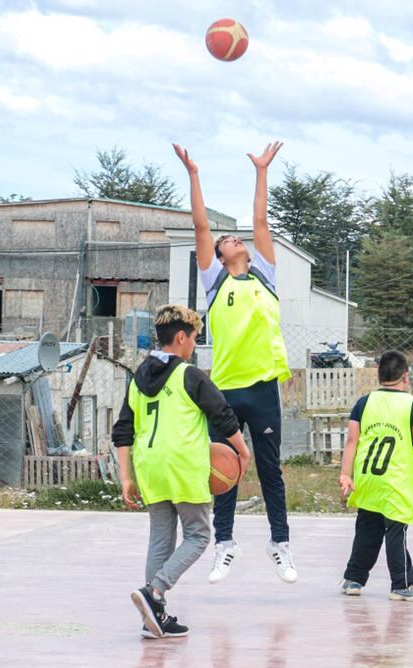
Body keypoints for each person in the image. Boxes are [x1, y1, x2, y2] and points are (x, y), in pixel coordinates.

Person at [173, 142, 298, 584]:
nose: (233, 239)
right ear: (220, 255)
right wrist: (193, 173)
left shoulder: (264, 270)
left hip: (262, 386)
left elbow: (261, 219)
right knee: (221, 466)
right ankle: (224, 544)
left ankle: (279, 544)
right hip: (224, 388)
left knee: (269, 469)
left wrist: (262, 171)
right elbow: (201, 225)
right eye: (227, 240)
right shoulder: (213, 280)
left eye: (235, 237)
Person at [114, 305, 251, 639]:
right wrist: (243, 450)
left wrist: (126, 476)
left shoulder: (137, 379)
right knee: (199, 535)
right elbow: (222, 414)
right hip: (182, 465)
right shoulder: (189, 375)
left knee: (161, 538)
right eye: (193, 338)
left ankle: (153, 616)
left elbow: (122, 430)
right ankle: (155, 592)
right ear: (180, 337)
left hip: (149, 467)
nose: (194, 344)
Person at [337, 350, 413, 602]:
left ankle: (353, 579)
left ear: (379, 375)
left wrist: (345, 474)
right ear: (406, 377)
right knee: (396, 531)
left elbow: (352, 439)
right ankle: (402, 584)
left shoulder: (364, 402)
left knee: (367, 530)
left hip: (368, 478)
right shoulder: (412, 404)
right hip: (396, 480)